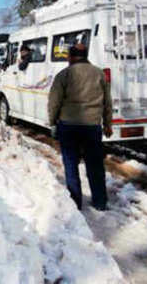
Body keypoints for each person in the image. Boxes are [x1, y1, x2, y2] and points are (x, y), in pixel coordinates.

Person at [47, 43, 113, 211]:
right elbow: (107, 102)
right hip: (92, 126)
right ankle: (100, 202)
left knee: (71, 164)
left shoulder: (64, 75)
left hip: (68, 126)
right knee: (95, 165)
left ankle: (76, 203)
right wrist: (108, 124)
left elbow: (54, 102)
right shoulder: (99, 74)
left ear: (70, 56)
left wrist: (53, 122)